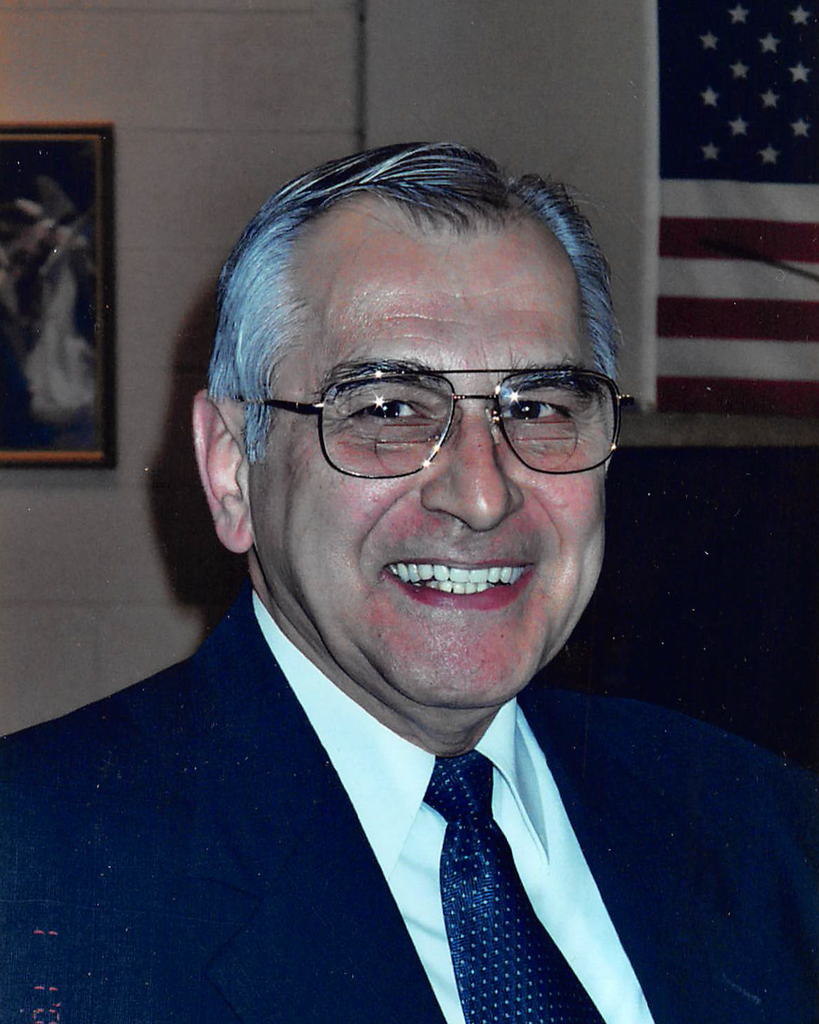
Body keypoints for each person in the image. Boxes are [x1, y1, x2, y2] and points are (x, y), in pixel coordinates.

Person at [1, 143, 816, 1024]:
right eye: (387, 409)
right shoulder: (36, 873)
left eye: (540, 407)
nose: (481, 494)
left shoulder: (762, 828)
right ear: (233, 468)